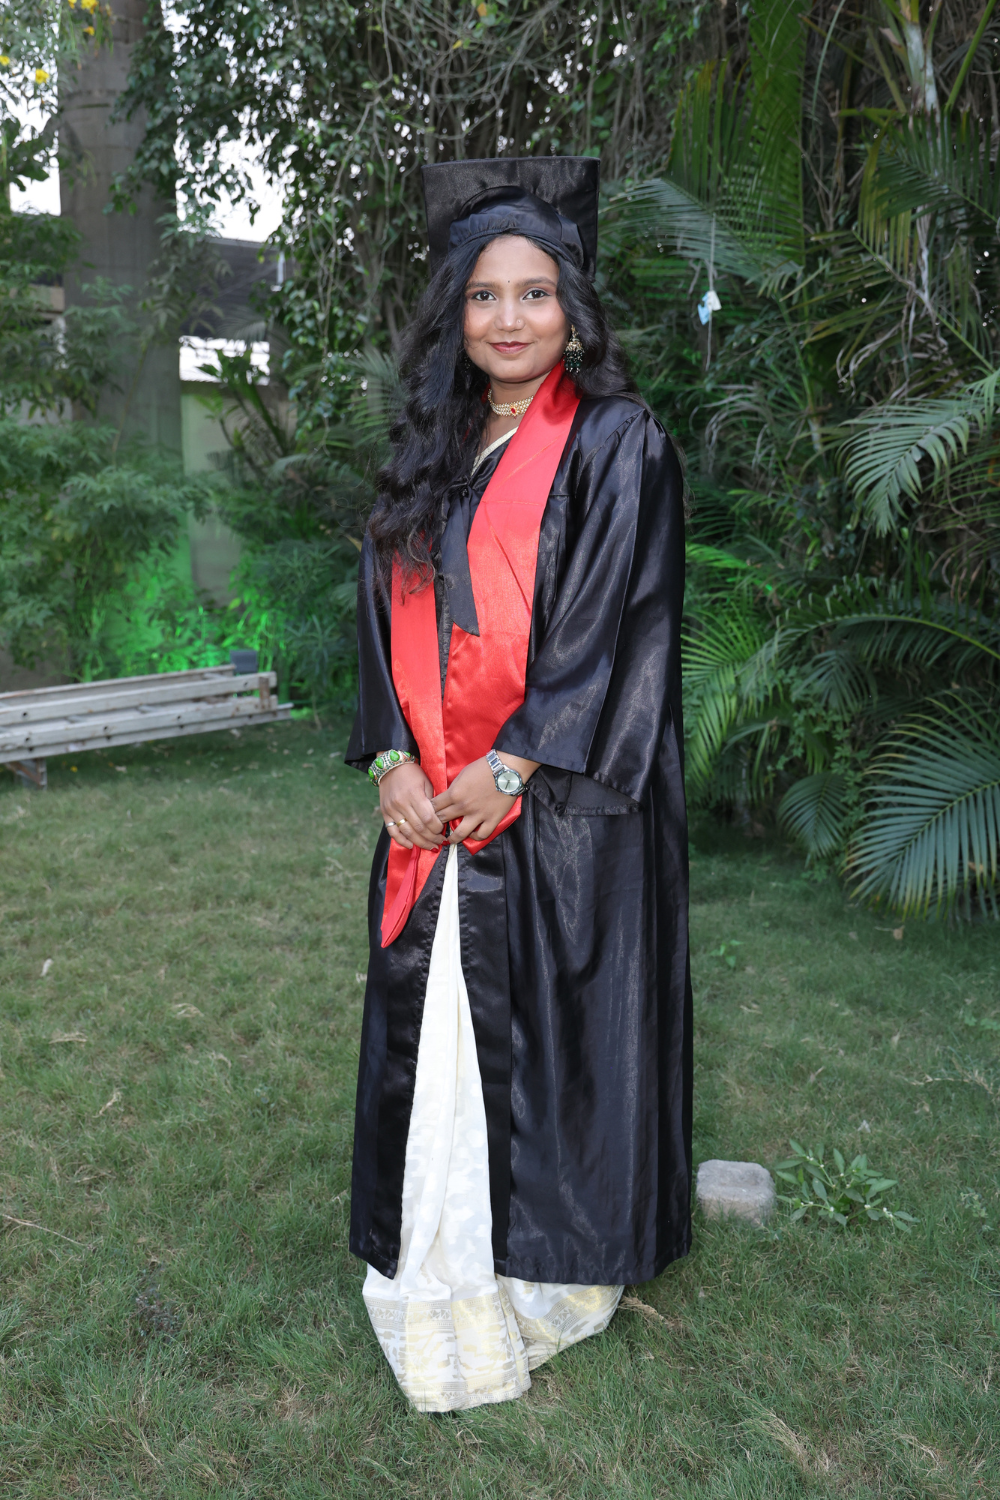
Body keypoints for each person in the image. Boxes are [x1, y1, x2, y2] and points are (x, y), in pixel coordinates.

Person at [346, 157, 692, 1413]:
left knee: (556, 1036)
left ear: (573, 312)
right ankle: (442, 1245)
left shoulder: (615, 440)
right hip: (435, 799)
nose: (507, 318)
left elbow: (617, 622)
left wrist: (513, 757)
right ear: (454, 312)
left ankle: (549, 1272)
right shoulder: (432, 449)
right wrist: (392, 756)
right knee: (440, 1022)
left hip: (557, 807)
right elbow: (375, 611)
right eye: (484, 294)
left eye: (534, 293)